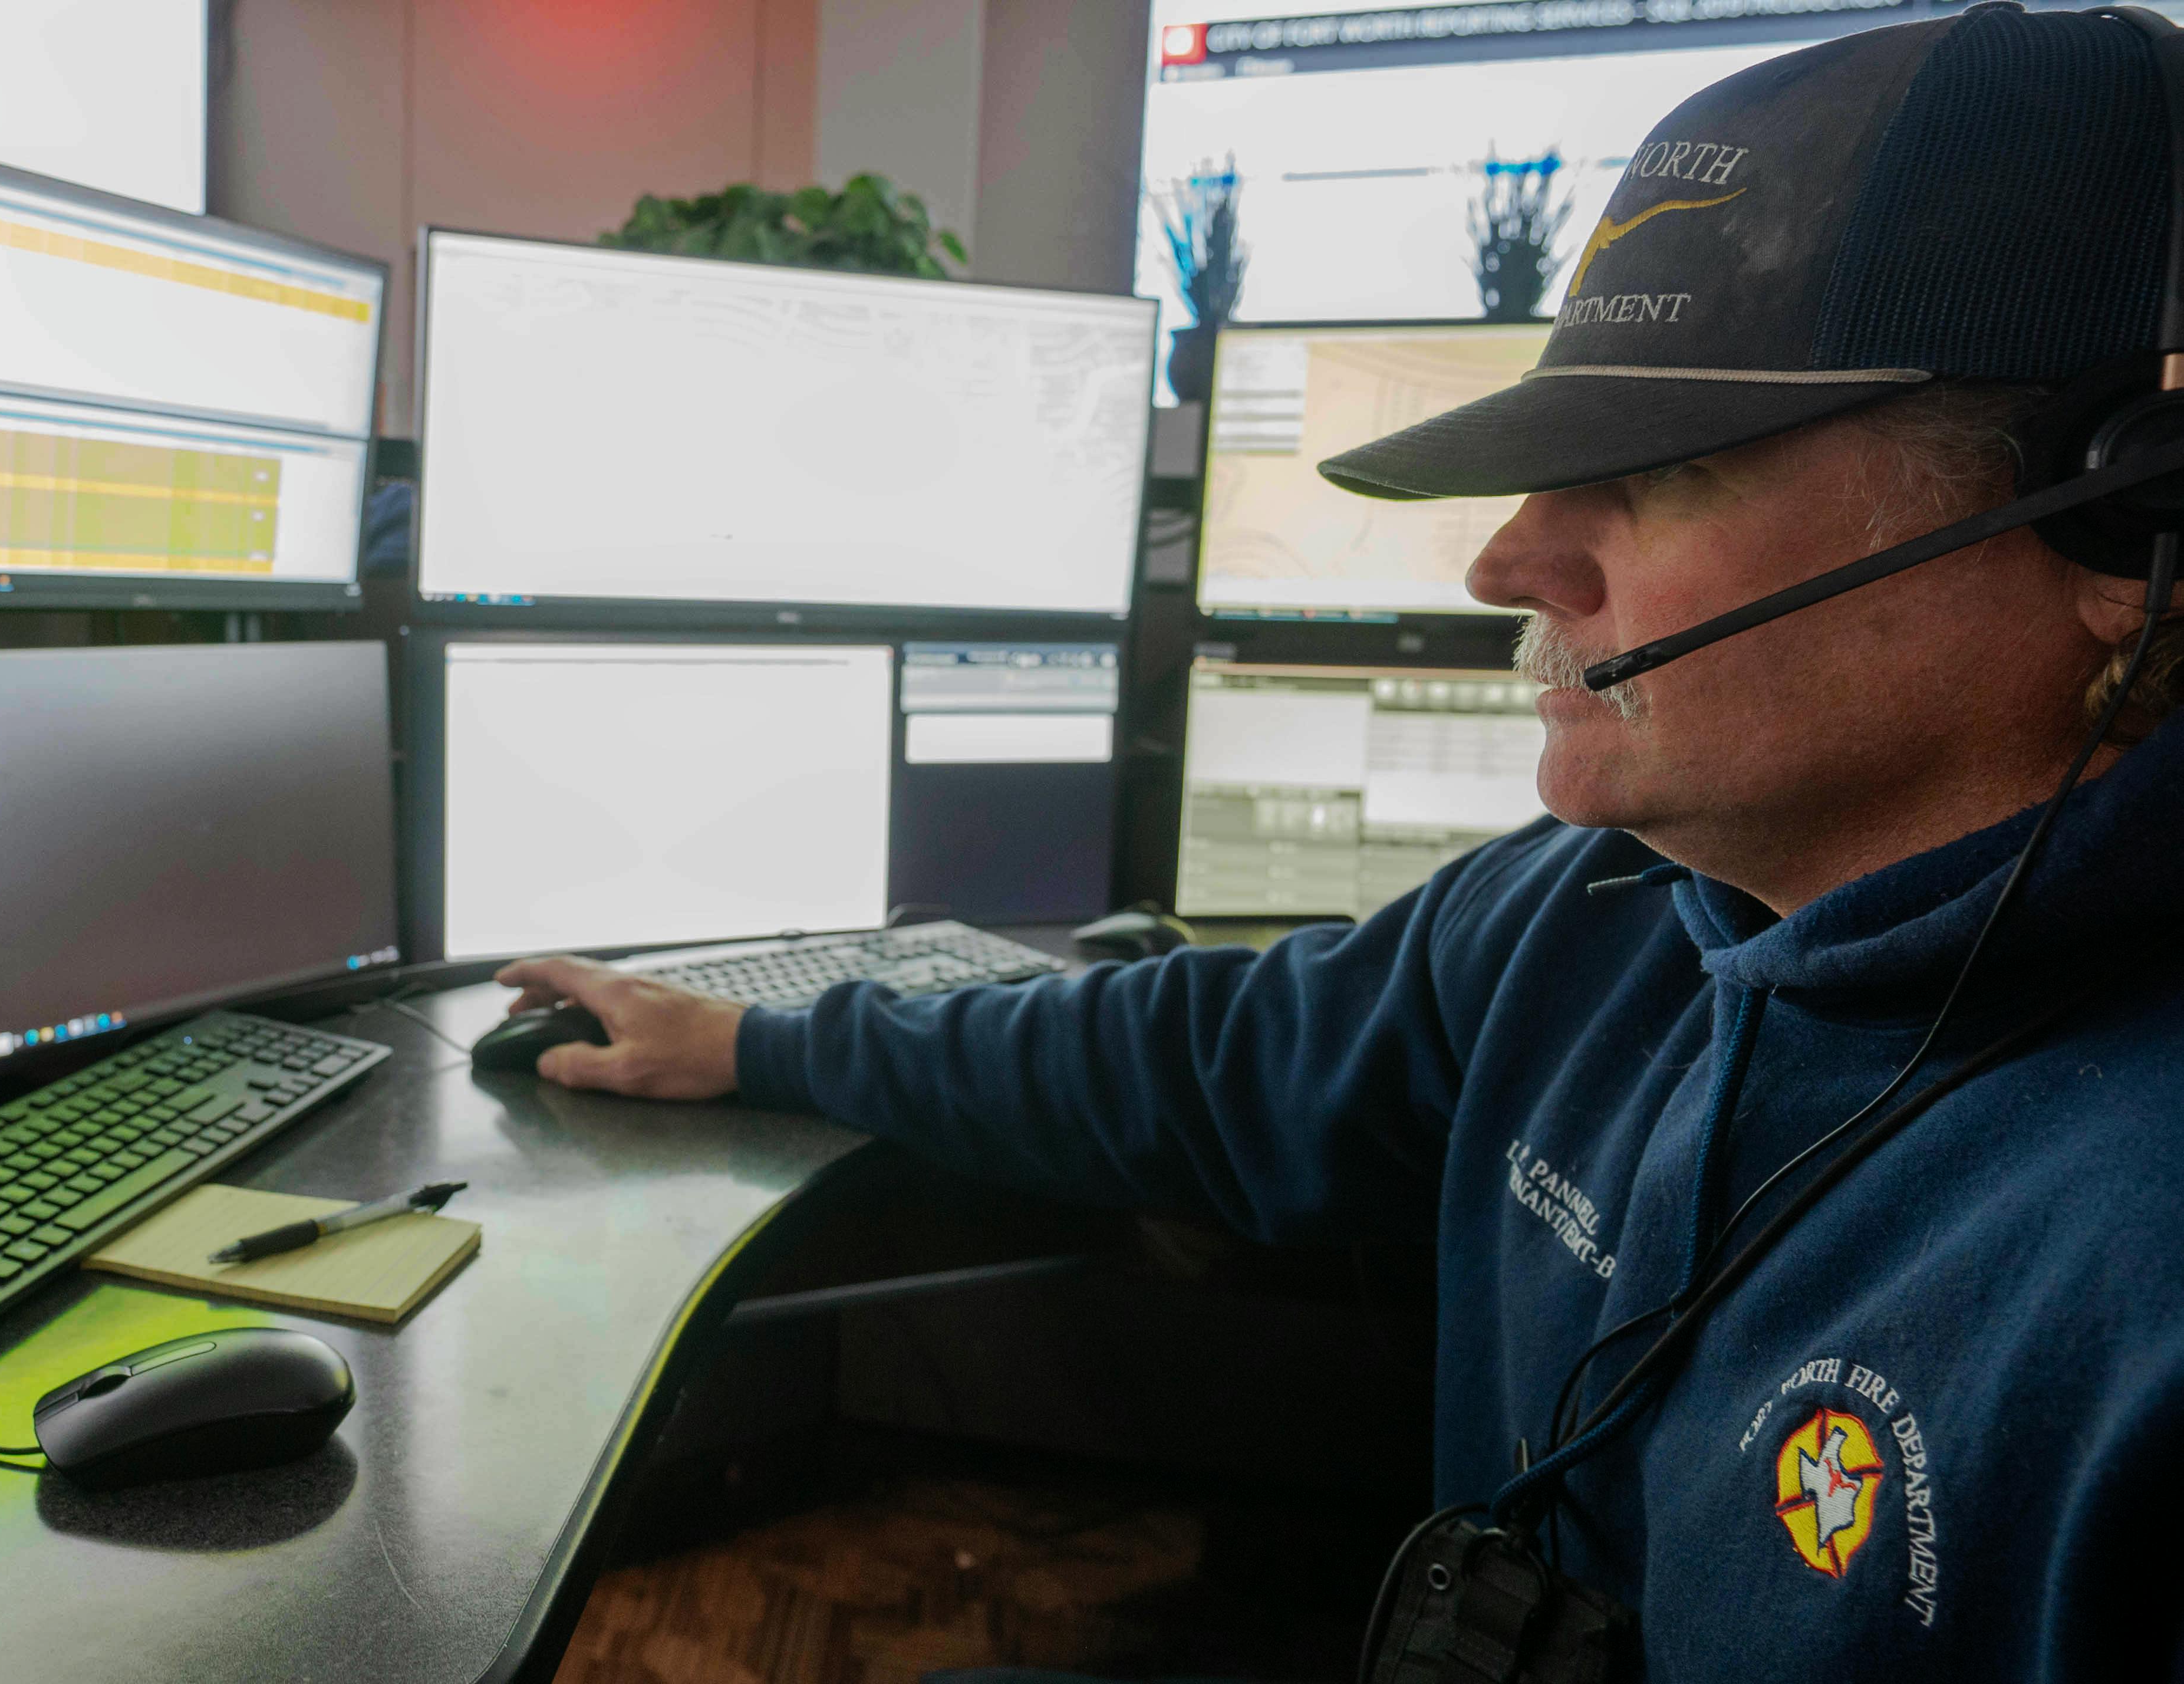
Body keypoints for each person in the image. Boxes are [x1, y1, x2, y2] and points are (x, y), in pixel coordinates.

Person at [496, 5, 2184, 1676]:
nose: (1508, 561)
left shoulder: (2139, 1265)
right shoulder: (1603, 910)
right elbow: (1208, 1053)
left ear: (2124, 512)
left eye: (1659, 468)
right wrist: (761, 1039)